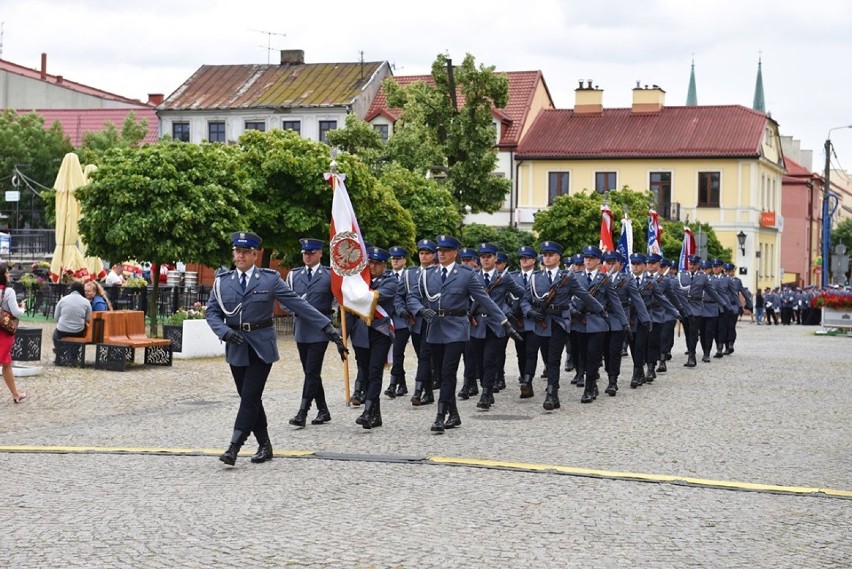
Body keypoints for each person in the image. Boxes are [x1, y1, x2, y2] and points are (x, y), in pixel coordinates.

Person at [206, 231, 347, 467]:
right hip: (236, 346)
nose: (239, 256)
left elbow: (298, 304)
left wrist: (327, 328)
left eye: (244, 252)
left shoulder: (269, 280)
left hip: (261, 346)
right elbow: (212, 312)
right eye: (236, 251)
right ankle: (265, 444)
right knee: (249, 398)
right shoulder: (222, 282)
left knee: (250, 396)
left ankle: (234, 446)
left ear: (254, 254)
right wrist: (224, 332)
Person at [407, 235, 520, 433]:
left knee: (449, 371)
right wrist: (419, 309)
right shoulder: (427, 274)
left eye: (445, 250)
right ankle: (455, 414)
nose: (440, 254)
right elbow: (413, 297)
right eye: (439, 250)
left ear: (454, 253)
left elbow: (485, 300)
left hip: (457, 327)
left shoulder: (466, 275)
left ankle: (441, 416)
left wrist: (505, 322)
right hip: (435, 327)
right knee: (440, 374)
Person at [521, 241, 603, 410]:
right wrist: (529, 312)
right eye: (545, 255)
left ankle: (552, 393)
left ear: (558, 257)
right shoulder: (536, 277)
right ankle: (553, 392)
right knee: (546, 357)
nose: (547, 258)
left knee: (554, 358)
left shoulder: (567, 277)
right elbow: (525, 300)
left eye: (551, 255)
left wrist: (599, 308)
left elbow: (583, 294)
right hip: (541, 322)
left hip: (559, 322)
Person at [285, 238, 337, 427]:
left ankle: (303, 412)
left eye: (312, 253)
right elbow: (285, 300)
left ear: (320, 254)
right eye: (305, 253)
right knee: (310, 372)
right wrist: (296, 312)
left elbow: (339, 298)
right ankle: (323, 410)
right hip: (301, 328)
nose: (308, 256)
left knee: (312, 371)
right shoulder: (293, 275)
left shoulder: (330, 275)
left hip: (320, 329)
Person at [346, 247, 397, 429]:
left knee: (375, 372)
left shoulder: (390, 281)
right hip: (361, 333)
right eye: (370, 263)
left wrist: (352, 290)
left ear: (384, 265)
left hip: (379, 332)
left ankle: (368, 412)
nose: (373, 266)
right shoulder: (360, 282)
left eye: (377, 263)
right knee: (365, 372)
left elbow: (372, 298)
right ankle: (376, 415)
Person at [385, 245, 411, 398]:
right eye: (393, 258)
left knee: (397, 352)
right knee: (394, 353)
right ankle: (402, 384)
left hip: (403, 320)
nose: (395, 261)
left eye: (398, 258)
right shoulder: (387, 276)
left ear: (404, 260)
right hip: (387, 320)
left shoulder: (408, 276)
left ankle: (393, 383)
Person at [0, 266, 27, 403]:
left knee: (6, 363)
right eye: (6, 272)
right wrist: (22, 308)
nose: (8, 274)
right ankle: (15, 394)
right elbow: (16, 313)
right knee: (5, 363)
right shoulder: (8, 291)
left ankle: (16, 393)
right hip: (3, 332)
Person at [53, 281, 92, 351]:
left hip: (62, 330)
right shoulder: (86, 302)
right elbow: (88, 319)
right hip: (78, 331)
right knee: (82, 332)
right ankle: (74, 354)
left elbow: (56, 318)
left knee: (55, 336)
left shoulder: (63, 300)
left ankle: (59, 349)